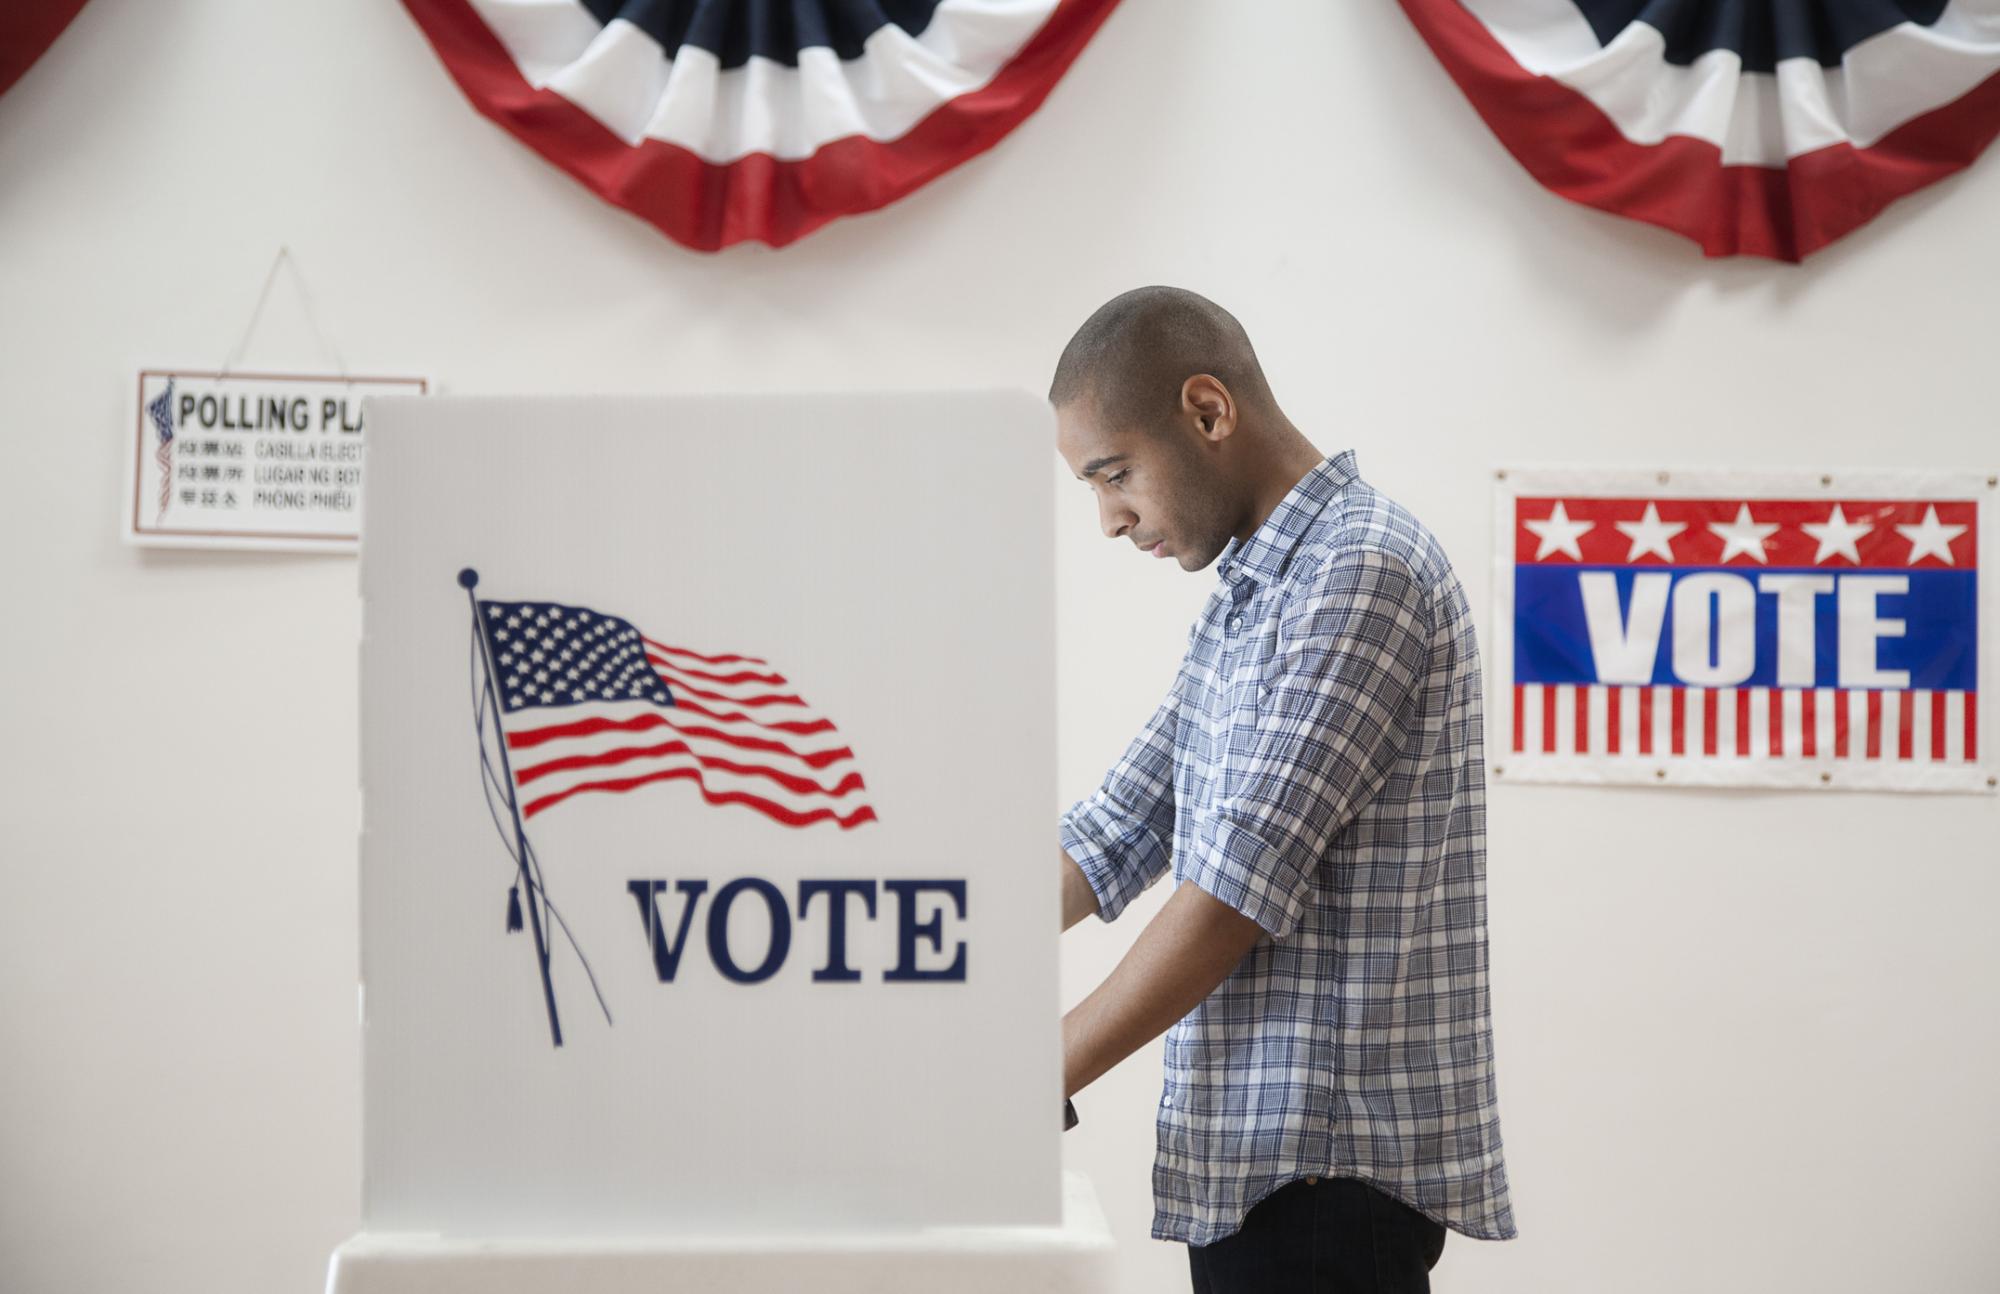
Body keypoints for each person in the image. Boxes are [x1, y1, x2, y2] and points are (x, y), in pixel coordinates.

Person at [1050, 286, 1518, 1293]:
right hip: (1255, 1176)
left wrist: (1035, 1069)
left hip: (1323, 1187)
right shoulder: (1253, 594)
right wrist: (924, 948)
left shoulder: (1359, 570)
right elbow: (1117, 826)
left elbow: (1231, 892)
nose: (1108, 519)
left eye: (1114, 473)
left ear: (1207, 412)